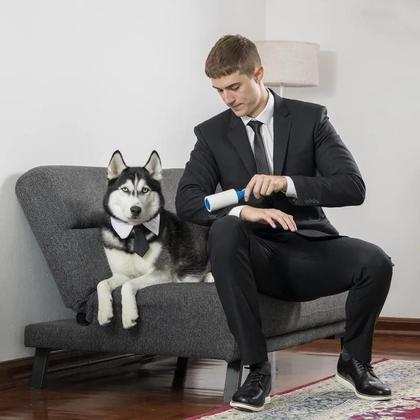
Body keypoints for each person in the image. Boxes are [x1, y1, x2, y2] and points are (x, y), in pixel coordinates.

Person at [175, 34, 393, 412]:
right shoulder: (211, 134)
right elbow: (187, 200)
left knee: (376, 261)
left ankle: (355, 361)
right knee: (225, 227)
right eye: (218, 90)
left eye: (234, 87)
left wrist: (287, 183)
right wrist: (244, 209)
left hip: (308, 246)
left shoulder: (311, 119)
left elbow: (352, 186)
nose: (228, 99)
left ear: (258, 74)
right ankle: (256, 370)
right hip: (253, 254)